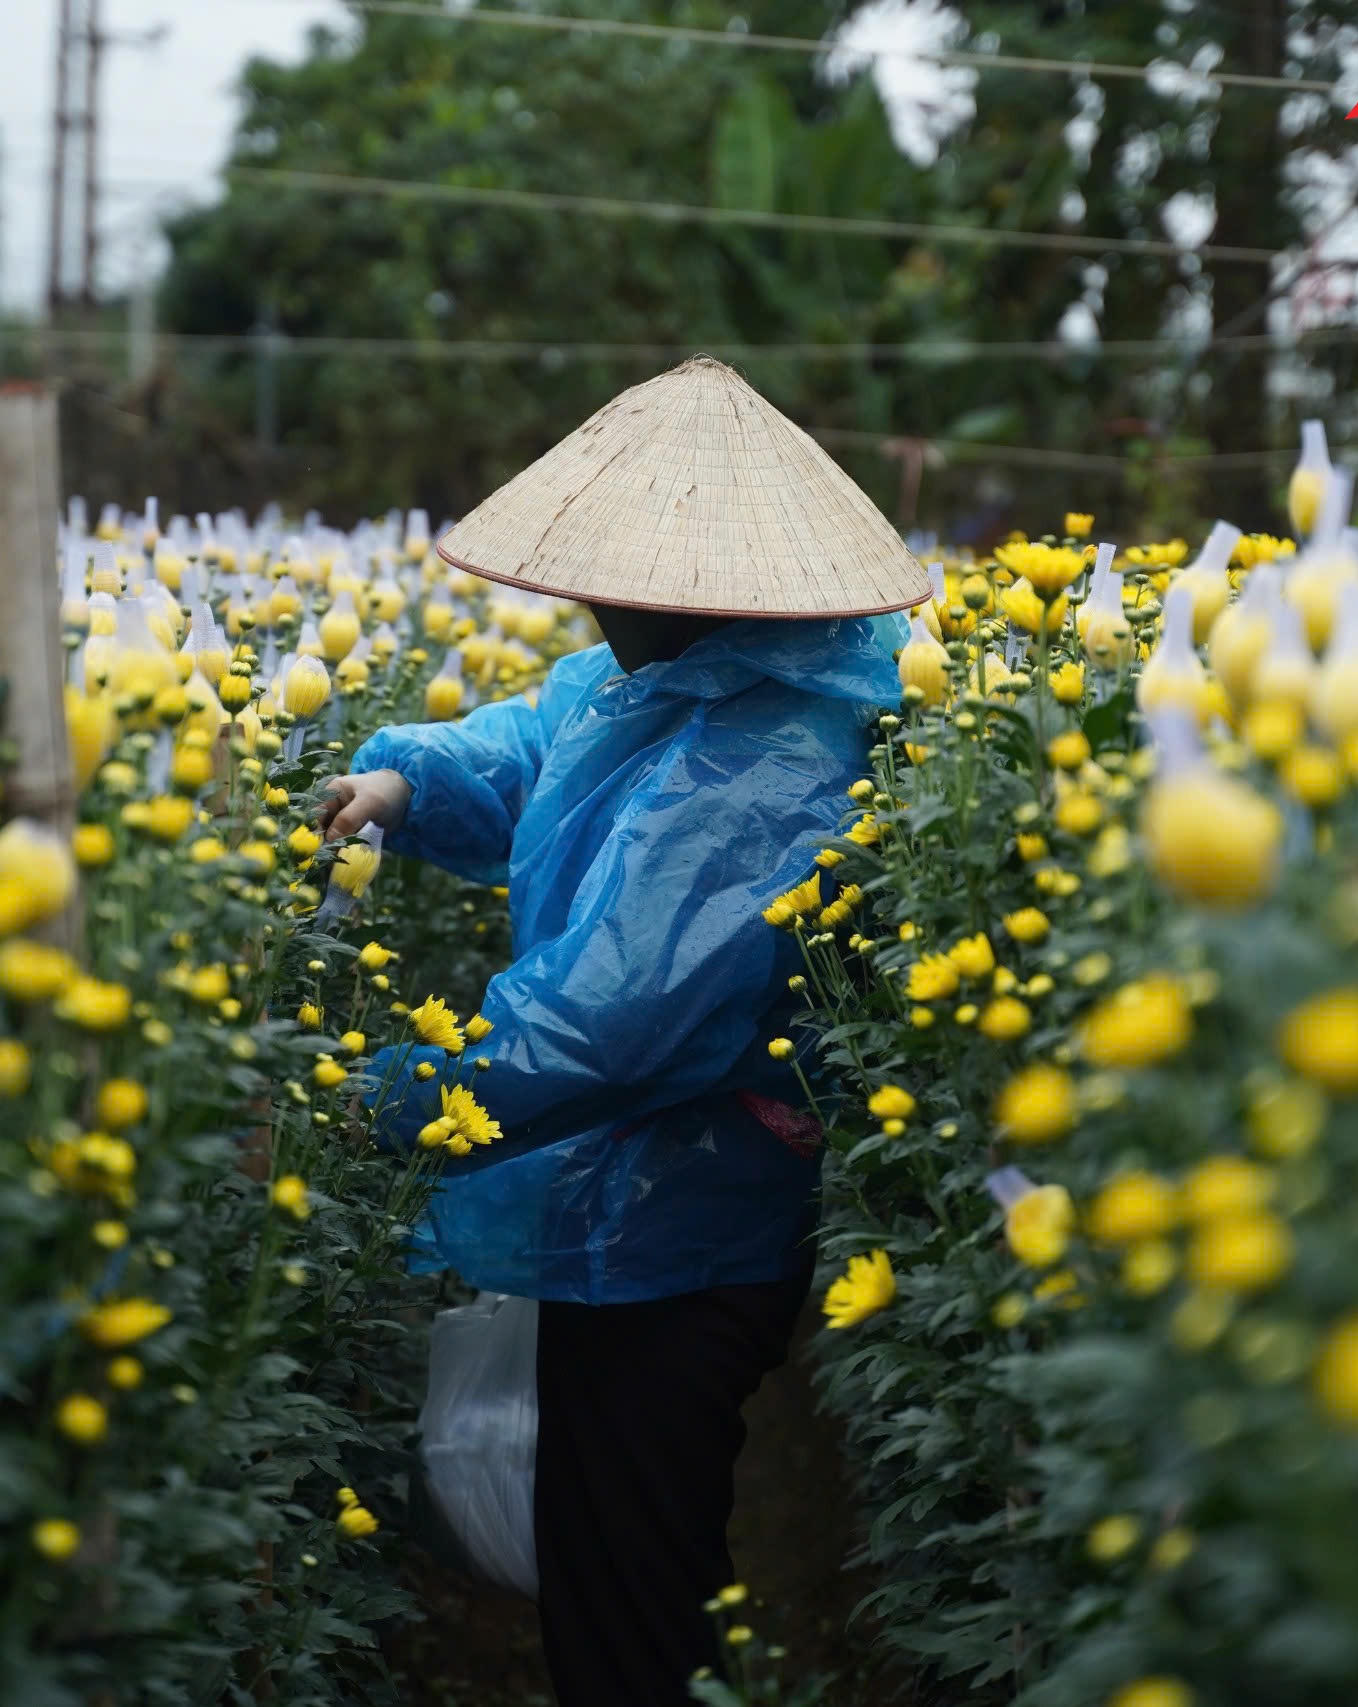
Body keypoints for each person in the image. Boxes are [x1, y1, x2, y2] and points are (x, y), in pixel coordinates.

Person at [314, 356, 925, 1707]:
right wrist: (399, 783)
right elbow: (535, 744)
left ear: (683, 592)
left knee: (632, 1599)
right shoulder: (657, 680)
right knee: (606, 1558)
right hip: (622, 1217)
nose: (590, 608)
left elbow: (607, 1027)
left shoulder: (772, 761)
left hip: (683, 1233)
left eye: (609, 586)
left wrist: (372, 1104)